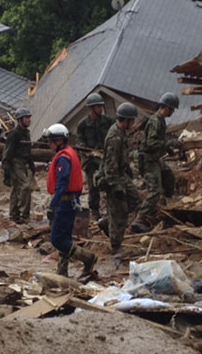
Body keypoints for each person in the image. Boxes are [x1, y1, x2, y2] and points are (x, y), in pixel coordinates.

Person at [44, 124, 97, 277]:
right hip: (71, 200)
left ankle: (87, 257)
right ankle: (62, 271)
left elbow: (63, 182)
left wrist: (53, 204)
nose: (49, 144)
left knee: (57, 239)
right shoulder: (69, 153)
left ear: (59, 140)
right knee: (65, 236)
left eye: (51, 141)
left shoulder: (63, 158)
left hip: (65, 202)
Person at [132, 93, 181, 233]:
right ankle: (139, 219)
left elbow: (159, 142)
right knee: (155, 189)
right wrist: (169, 143)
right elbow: (151, 142)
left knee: (169, 177)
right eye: (172, 109)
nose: (173, 112)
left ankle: (164, 205)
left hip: (155, 159)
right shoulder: (155, 121)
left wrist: (169, 149)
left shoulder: (161, 120)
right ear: (166, 107)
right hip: (148, 160)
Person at [99, 103, 141, 253]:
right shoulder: (114, 137)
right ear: (126, 120)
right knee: (120, 212)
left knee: (136, 199)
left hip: (121, 174)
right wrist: (115, 188)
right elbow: (109, 166)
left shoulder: (121, 132)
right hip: (114, 179)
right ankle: (116, 246)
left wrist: (127, 168)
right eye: (132, 120)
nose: (134, 123)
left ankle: (108, 221)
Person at [75, 93, 114, 221]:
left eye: (101, 106)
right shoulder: (83, 125)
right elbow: (79, 142)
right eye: (98, 106)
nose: (101, 109)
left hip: (105, 158)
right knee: (93, 187)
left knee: (109, 183)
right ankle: (95, 210)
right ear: (91, 108)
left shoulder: (108, 121)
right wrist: (87, 151)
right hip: (91, 160)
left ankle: (110, 209)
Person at [2, 107, 34, 224]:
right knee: (25, 187)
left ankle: (14, 214)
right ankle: (24, 215)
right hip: (15, 163)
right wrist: (6, 169)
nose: (29, 120)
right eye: (26, 118)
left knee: (16, 188)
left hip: (24, 163)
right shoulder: (14, 134)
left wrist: (31, 164)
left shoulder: (26, 133)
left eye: (29, 118)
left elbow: (28, 150)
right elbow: (7, 152)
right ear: (20, 120)